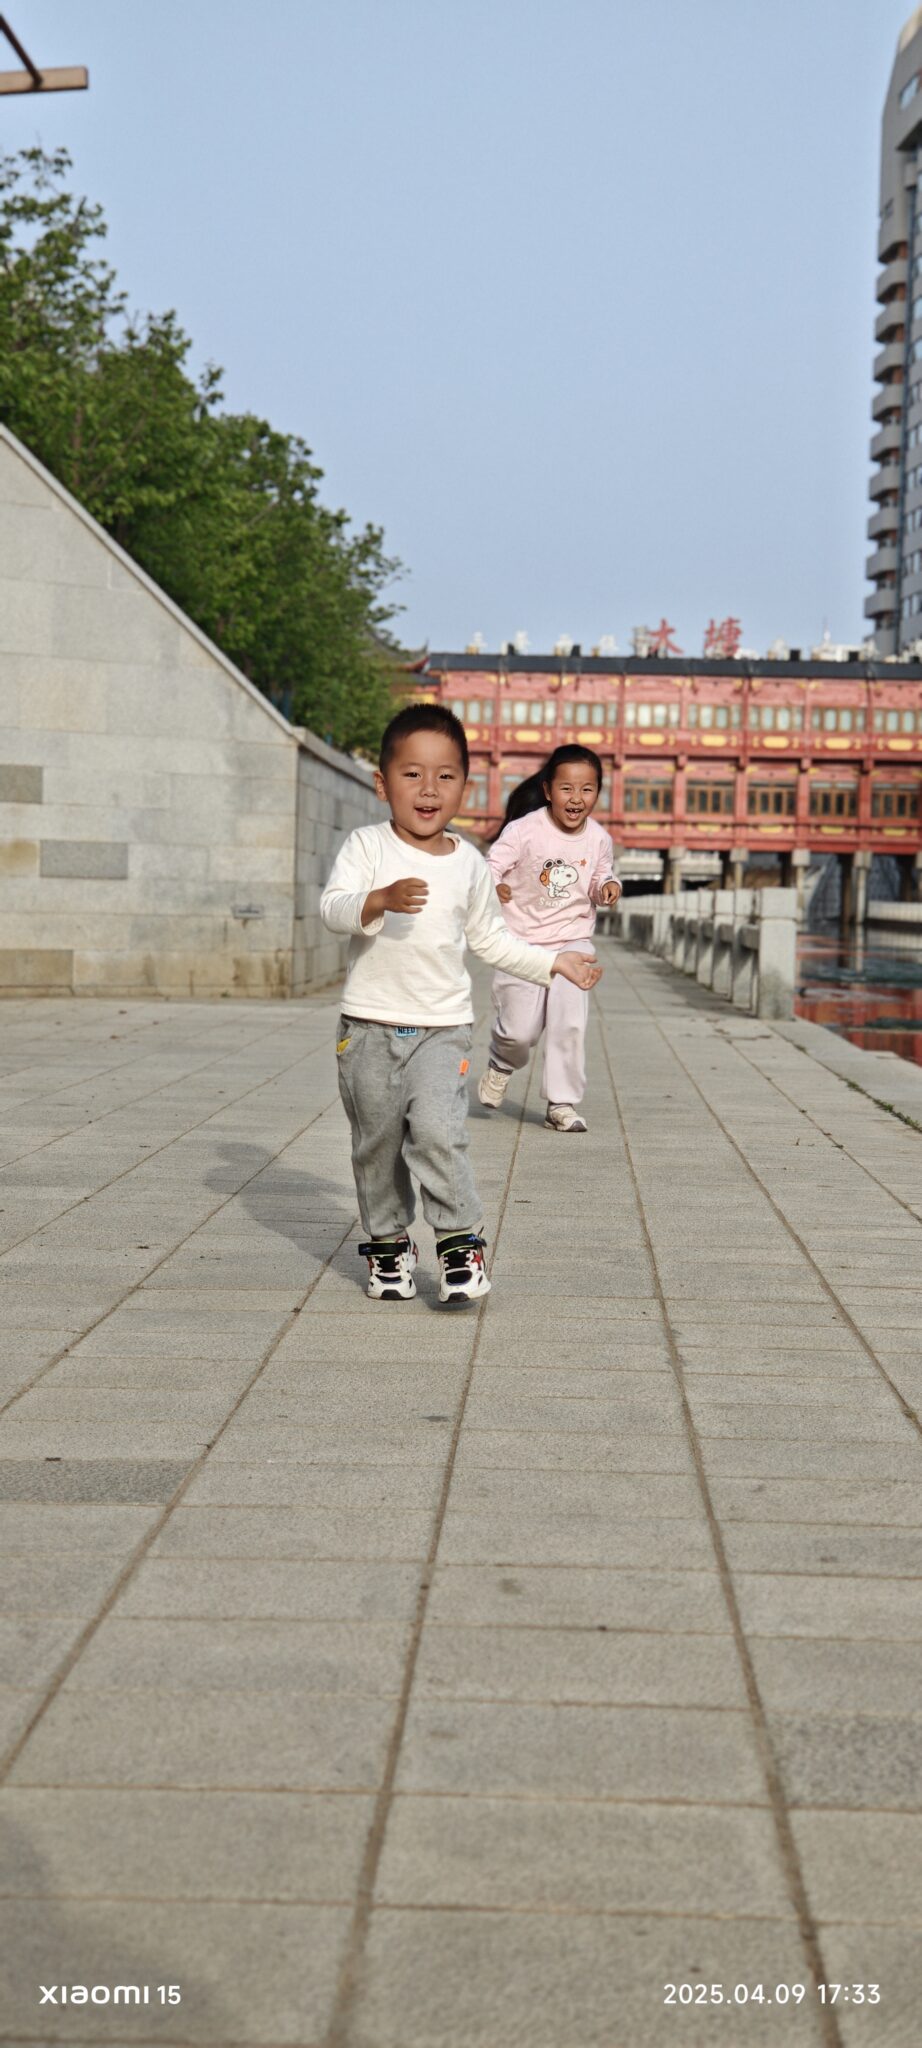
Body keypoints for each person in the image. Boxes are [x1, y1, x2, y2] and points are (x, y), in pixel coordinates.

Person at [320, 706, 603, 1305]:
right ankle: (388, 1245)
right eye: (413, 774)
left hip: (442, 1030)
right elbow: (333, 908)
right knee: (375, 1144)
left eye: (445, 776)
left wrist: (554, 962)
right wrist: (376, 900)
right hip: (367, 1027)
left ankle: (458, 1242)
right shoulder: (366, 846)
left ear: (464, 789)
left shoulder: (470, 863)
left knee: (438, 1133)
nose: (429, 789)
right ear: (382, 783)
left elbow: (492, 940)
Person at [477, 744, 621, 1133]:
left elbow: (601, 874)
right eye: (567, 788)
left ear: (597, 792)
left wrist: (607, 887)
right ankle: (501, 1062)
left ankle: (562, 1103)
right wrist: (495, 887)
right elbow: (490, 867)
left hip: (573, 941)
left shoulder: (599, 838)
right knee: (519, 1032)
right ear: (548, 790)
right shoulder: (523, 830)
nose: (576, 798)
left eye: (587, 789)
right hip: (522, 942)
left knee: (569, 1020)